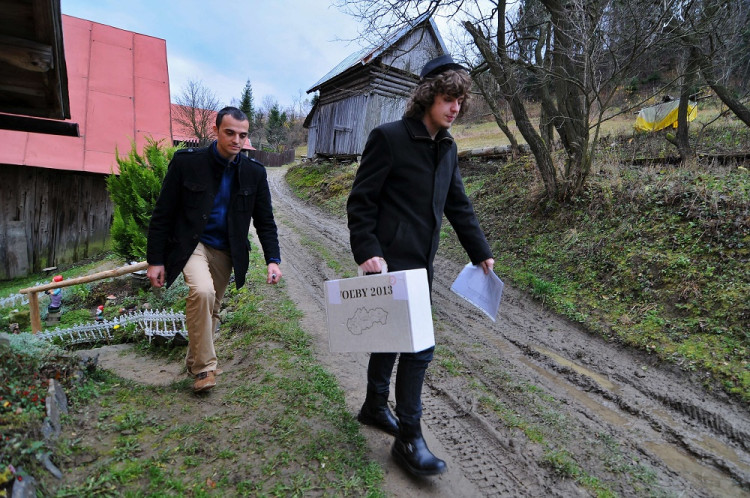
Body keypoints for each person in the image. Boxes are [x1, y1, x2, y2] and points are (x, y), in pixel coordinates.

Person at [346, 54, 495, 476]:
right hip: (389, 264)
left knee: (391, 338)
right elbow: (361, 201)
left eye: (460, 100)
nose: (455, 107)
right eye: (449, 98)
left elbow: (457, 204)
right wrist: (366, 250)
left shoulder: (447, 148)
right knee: (419, 348)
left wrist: (478, 250)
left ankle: (376, 405)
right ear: (429, 96)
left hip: (421, 267)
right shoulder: (389, 138)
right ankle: (409, 438)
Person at [146, 106, 282, 393]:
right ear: (216, 131)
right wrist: (155, 260)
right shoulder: (187, 163)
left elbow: (265, 220)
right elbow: (163, 213)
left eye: (242, 135)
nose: (236, 140)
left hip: (227, 250)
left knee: (212, 309)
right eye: (229, 132)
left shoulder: (254, 173)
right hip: (192, 244)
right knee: (203, 292)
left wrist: (273, 259)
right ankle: (204, 369)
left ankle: (195, 359)